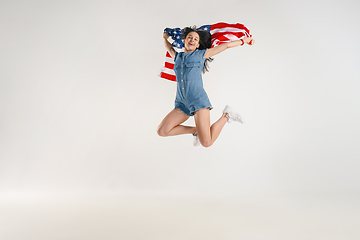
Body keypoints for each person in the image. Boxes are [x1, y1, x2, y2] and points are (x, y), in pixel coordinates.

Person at [157, 26, 255, 147]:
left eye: (195, 39)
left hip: (198, 101)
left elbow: (226, 46)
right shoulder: (177, 57)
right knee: (162, 131)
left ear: (198, 44)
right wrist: (164, 38)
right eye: (189, 37)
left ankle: (227, 115)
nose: (192, 40)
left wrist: (244, 41)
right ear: (184, 41)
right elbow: (168, 46)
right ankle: (195, 131)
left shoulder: (201, 55)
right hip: (182, 103)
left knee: (207, 142)